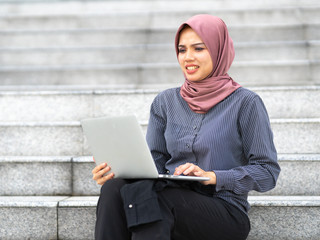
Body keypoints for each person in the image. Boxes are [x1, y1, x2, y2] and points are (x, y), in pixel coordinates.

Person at [91, 14, 280, 240]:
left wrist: (212, 176)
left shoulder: (245, 103)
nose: (188, 57)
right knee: (115, 189)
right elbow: (154, 165)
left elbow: (268, 172)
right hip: (170, 197)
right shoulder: (165, 102)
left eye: (199, 48)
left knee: (156, 201)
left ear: (219, 50)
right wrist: (119, 170)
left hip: (223, 211)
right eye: (182, 50)